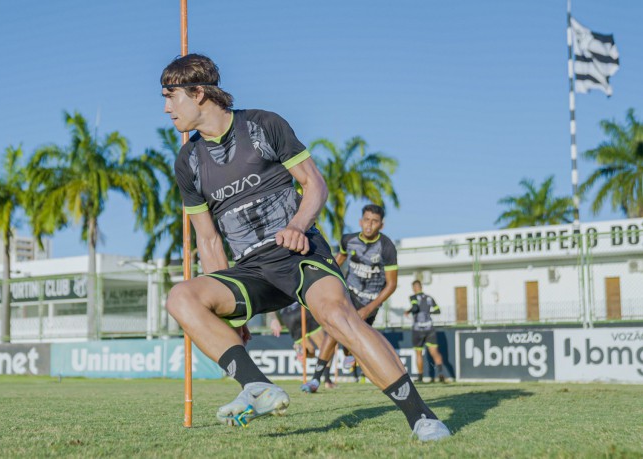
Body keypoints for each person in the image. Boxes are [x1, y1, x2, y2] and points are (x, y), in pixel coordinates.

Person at [161, 53, 450, 440]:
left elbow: (315, 184)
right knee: (181, 297)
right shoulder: (188, 160)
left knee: (337, 316)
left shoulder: (263, 125)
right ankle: (258, 387)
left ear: (198, 93)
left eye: (171, 96)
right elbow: (209, 239)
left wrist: (298, 225)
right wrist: (236, 318)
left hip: (298, 253)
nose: (166, 108)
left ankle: (422, 417)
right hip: (249, 270)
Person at [300, 204, 399, 392]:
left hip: (370, 301)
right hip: (348, 293)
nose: (370, 225)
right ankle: (315, 380)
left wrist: (370, 308)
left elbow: (392, 284)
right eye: (367, 220)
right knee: (333, 330)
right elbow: (337, 262)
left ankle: (352, 356)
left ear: (381, 225)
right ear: (361, 221)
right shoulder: (348, 240)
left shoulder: (386, 247)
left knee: (355, 337)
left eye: (375, 221)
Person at [269, 303, 336, 388]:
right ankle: (327, 380)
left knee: (311, 352)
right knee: (325, 348)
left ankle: (300, 349)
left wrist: (274, 319)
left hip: (288, 315)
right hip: (303, 309)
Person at [406, 280, 449, 383]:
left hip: (418, 329)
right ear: (421, 287)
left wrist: (408, 311)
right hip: (430, 328)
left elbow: (415, 307)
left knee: (419, 353)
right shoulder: (429, 298)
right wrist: (428, 312)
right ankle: (441, 374)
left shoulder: (413, 297)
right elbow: (438, 310)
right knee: (434, 352)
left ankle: (420, 377)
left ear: (414, 288)